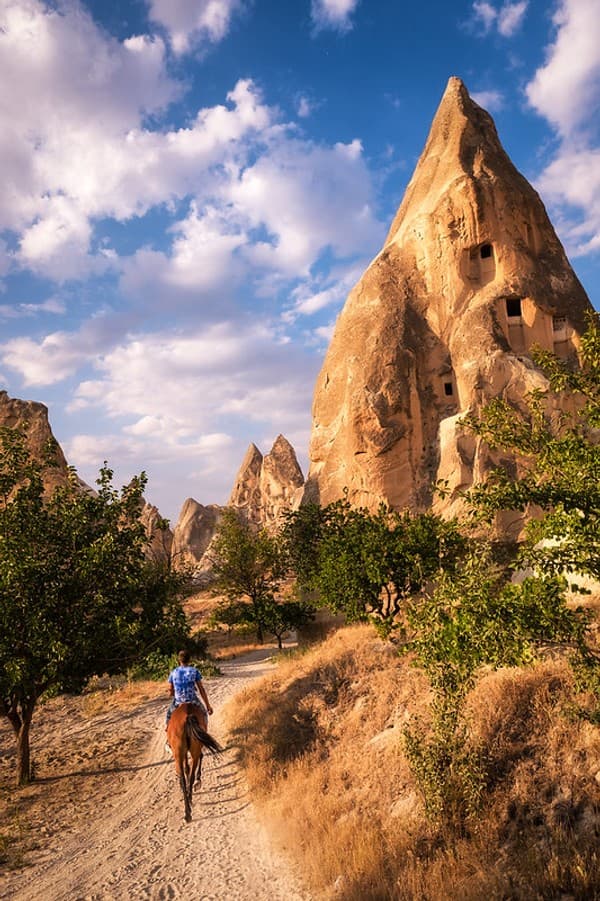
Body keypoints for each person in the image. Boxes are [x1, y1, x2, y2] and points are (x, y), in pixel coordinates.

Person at [165, 649, 213, 732]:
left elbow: (171, 690)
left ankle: (168, 730)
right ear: (189, 659)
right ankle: (204, 730)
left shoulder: (173, 672)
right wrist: (208, 705)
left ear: (179, 660)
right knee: (204, 713)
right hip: (192, 700)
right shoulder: (194, 671)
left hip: (178, 701)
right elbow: (201, 689)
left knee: (169, 715)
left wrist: (172, 692)